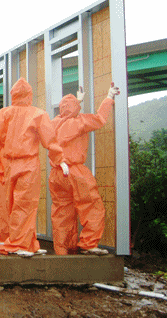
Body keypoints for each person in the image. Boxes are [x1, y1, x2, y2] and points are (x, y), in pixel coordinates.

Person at [0, 78, 69, 257]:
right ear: (30, 95)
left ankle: (26, 244)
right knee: (26, 205)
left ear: (13, 94)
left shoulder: (3, 113)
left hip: (9, 165)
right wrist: (59, 159)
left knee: (12, 206)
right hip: (29, 164)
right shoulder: (38, 114)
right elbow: (49, 140)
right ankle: (19, 245)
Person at [49, 83, 120, 256]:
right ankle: (88, 244)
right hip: (75, 171)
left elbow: (67, 113)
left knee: (62, 211)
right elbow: (100, 119)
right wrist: (109, 97)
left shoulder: (53, 123)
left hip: (56, 173)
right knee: (91, 206)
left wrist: (78, 101)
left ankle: (62, 249)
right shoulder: (79, 122)